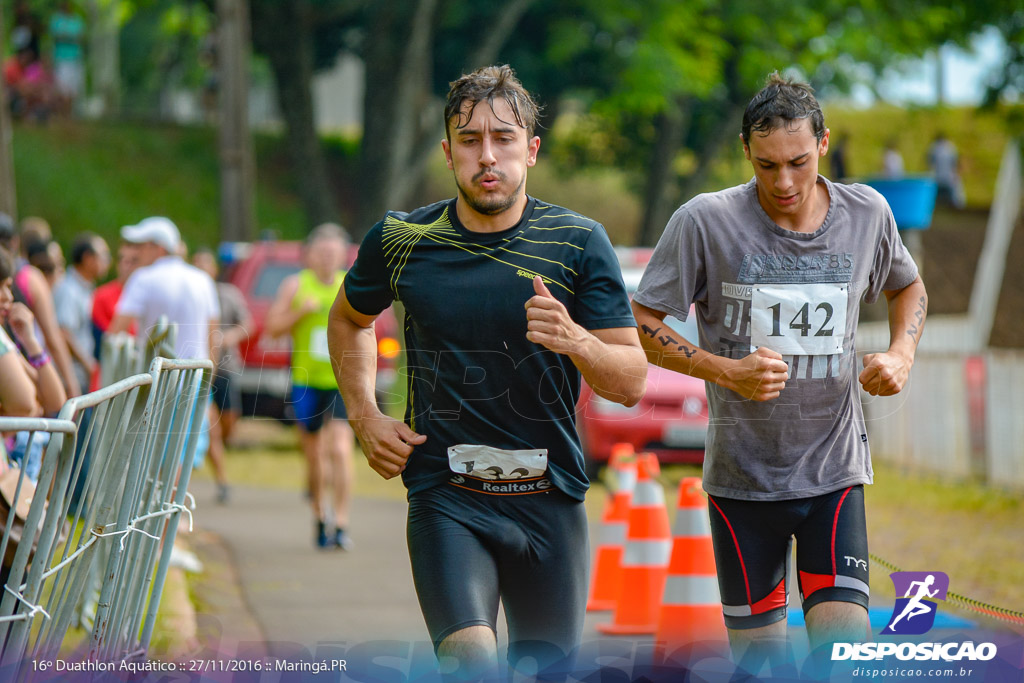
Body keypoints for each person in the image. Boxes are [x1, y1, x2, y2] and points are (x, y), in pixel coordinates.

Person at [327, 64, 647, 680]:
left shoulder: (578, 242)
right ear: (448, 153)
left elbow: (628, 383)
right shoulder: (401, 240)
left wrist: (575, 338)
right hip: (447, 498)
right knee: (469, 660)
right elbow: (348, 320)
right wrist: (365, 415)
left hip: (550, 500)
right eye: (470, 140)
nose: (487, 155)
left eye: (503, 138)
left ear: (531, 149)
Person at [630, 73, 928, 675]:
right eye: (767, 166)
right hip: (743, 486)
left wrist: (901, 354)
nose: (784, 182)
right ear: (746, 151)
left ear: (823, 143)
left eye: (797, 161)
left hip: (834, 477)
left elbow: (907, 284)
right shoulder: (705, 221)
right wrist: (725, 371)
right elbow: (643, 320)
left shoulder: (867, 212)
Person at [265, 224, 355, 549]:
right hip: (306, 382)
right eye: (322, 252)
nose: (328, 258)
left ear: (343, 255)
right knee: (315, 456)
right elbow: (272, 329)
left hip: (342, 381)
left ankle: (342, 524)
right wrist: (300, 312)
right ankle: (320, 515)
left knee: (341, 450)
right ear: (310, 255)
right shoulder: (296, 285)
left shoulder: (351, 283)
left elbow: (369, 328)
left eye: (334, 253)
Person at [108, 217, 219, 473]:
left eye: (141, 246)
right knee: (181, 453)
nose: (136, 253)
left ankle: (163, 513)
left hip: (156, 381)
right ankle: (171, 512)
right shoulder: (202, 279)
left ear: (157, 247)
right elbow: (213, 333)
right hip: (193, 378)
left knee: (152, 454)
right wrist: (209, 378)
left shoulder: (144, 278)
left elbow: (116, 330)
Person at [192, 247, 253, 504]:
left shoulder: (228, 295)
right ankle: (222, 480)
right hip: (200, 369)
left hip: (226, 366)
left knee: (229, 420)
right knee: (209, 425)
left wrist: (228, 337)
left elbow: (247, 324)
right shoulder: (191, 294)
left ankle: (214, 456)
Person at [0, 214, 81, 397]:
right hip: (29, 372)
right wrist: (70, 383)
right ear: (14, 242)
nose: (9, 297)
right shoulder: (29, 276)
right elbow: (52, 337)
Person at [53, 233, 110, 393]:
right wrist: (89, 365)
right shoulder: (69, 290)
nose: (108, 262)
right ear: (87, 258)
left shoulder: (84, 289)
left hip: (79, 376)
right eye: (104, 256)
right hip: (70, 378)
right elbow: (63, 332)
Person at [48, 0, 86, 117]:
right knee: (63, 87)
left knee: (73, 88)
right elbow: (57, 37)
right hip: (62, 59)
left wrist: (67, 37)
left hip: (75, 58)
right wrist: (71, 38)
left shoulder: (77, 20)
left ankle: (70, 114)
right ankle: (64, 114)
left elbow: (81, 38)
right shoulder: (56, 20)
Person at [927, 131, 965, 208]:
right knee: (956, 196)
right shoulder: (950, 147)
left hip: (937, 177)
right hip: (949, 177)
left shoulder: (934, 147)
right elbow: (956, 162)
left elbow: (929, 162)